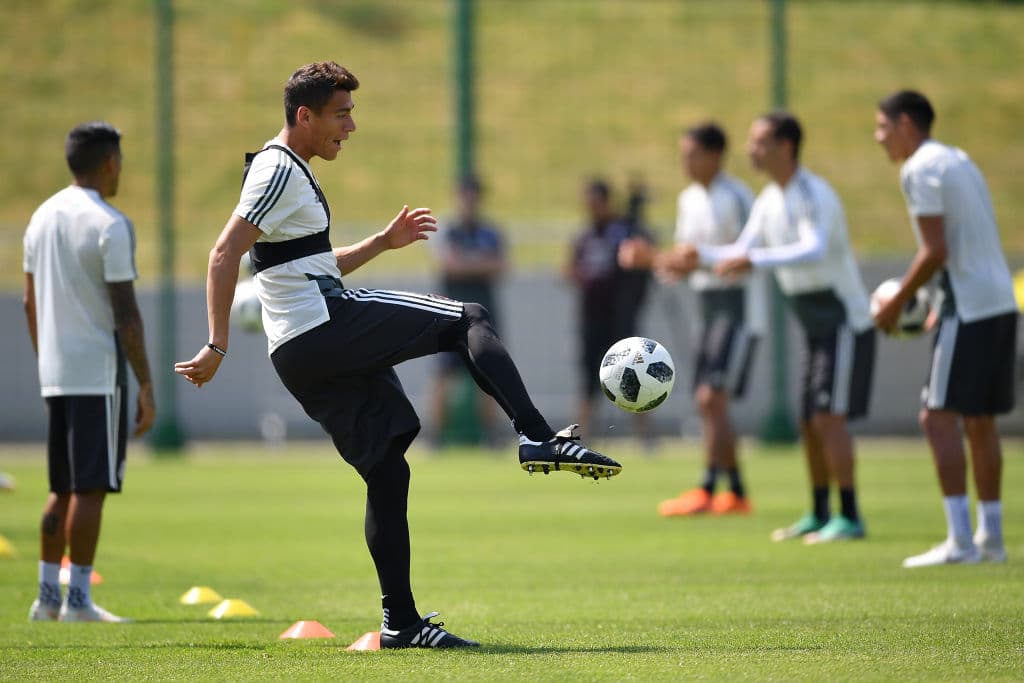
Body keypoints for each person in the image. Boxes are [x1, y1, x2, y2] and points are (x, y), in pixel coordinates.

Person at [172, 62, 620, 649]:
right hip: (325, 326)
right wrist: (216, 342)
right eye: (341, 114)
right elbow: (222, 254)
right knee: (468, 319)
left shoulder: (284, 169)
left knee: (387, 472)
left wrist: (382, 243)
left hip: (300, 352)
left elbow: (303, 265)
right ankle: (536, 435)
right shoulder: (278, 171)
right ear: (304, 116)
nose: (351, 126)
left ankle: (400, 624)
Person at [667, 112, 876, 544]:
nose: (750, 150)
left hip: (842, 319)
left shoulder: (814, 193)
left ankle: (850, 516)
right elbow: (740, 251)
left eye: (759, 142)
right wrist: (695, 255)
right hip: (812, 322)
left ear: (785, 147)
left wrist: (752, 260)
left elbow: (813, 248)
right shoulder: (769, 199)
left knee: (828, 418)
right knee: (807, 421)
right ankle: (819, 512)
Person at [874, 90, 1017, 567]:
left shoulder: (919, 168)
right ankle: (990, 540)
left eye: (883, 127)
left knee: (937, 417)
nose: (879, 138)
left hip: (969, 306)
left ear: (907, 124)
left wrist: (896, 301)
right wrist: (936, 299)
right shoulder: (958, 160)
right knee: (979, 422)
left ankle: (959, 541)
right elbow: (965, 240)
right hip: (999, 300)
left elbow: (935, 251)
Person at [23, 121, 156, 622]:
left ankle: (46, 597)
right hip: (99, 373)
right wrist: (145, 383)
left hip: (55, 370)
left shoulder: (40, 218)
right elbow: (126, 312)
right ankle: (77, 599)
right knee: (91, 487)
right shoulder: (109, 224)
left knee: (60, 486)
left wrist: (45, 364)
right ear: (108, 163)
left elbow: (28, 300)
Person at [619, 122, 761, 516]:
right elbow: (683, 261)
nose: (685, 162)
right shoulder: (689, 200)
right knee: (710, 403)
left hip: (739, 307)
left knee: (709, 398)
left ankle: (708, 488)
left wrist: (653, 258)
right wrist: (651, 261)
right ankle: (735, 492)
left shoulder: (736, 197)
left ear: (715, 155)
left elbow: (745, 258)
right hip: (707, 309)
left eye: (691, 155)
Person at [566, 179, 653, 440]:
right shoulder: (585, 236)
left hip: (620, 315)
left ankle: (646, 437)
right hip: (592, 318)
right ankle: (580, 436)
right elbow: (570, 268)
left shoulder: (623, 232)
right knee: (588, 382)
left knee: (635, 375)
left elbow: (639, 259)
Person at [428, 174, 507, 447]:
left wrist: (467, 263)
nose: (469, 201)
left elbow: (501, 266)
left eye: (473, 195)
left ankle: (491, 437)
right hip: (449, 313)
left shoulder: (490, 231)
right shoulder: (448, 229)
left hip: (484, 315)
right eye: (465, 194)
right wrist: (480, 264)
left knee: (490, 377)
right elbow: (448, 265)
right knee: (443, 377)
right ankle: (436, 437)